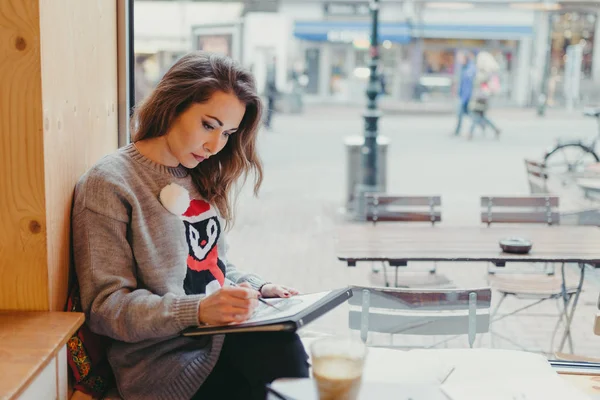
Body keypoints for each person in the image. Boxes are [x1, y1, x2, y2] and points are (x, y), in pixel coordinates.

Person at [71, 52, 309, 400]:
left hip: (217, 341)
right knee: (278, 358)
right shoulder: (110, 183)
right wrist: (198, 310)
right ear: (173, 105)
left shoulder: (198, 175)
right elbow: (106, 309)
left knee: (281, 343)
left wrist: (258, 288)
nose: (215, 146)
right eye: (208, 125)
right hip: (166, 364)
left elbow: (209, 271)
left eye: (227, 133)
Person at [468, 51, 502, 140]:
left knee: (475, 116)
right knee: (482, 116)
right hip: (481, 98)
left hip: (480, 99)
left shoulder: (485, 74)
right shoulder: (485, 73)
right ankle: (495, 129)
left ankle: (470, 133)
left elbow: (479, 83)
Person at [453, 51, 476, 137]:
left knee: (466, 114)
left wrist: (465, 98)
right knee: (466, 114)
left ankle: (465, 130)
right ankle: (458, 131)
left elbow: (468, 85)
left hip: (466, 97)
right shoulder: (464, 68)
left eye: (461, 58)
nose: (459, 60)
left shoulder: (470, 69)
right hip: (463, 96)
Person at [264, 57, 278, 130]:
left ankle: (267, 123)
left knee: (270, 108)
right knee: (270, 108)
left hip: (270, 92)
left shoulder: (271, 68)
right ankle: (267, 123)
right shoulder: (272, 68)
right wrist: (275, 89)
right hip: (271, 93)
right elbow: (271, 81)